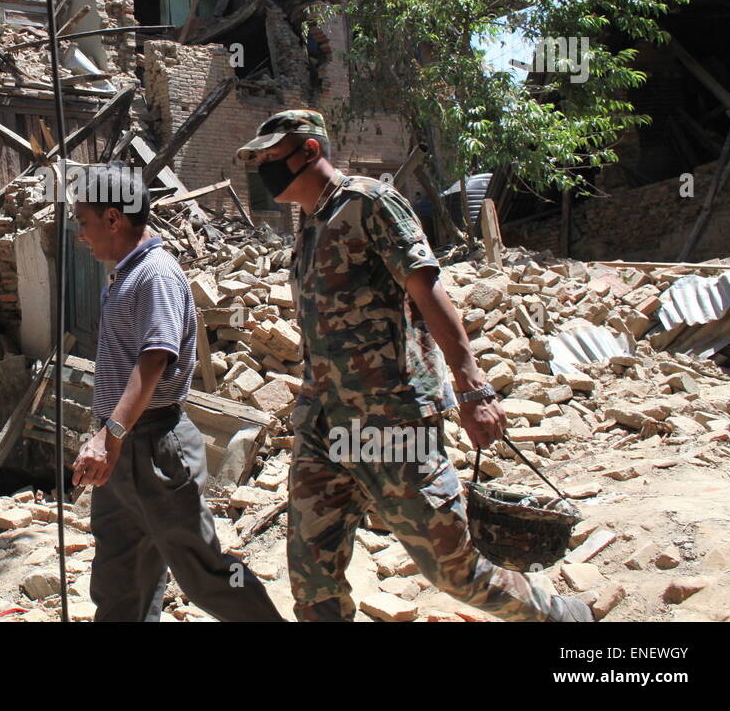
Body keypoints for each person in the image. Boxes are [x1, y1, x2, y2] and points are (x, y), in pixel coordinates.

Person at [236, 109, 591, 622]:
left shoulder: (370, 204)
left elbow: (428, 291)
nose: (264, 169)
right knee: (312, 579)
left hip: (391, 420)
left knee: (453, 567)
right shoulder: (310, 225)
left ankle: (556, 615)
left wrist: (473, 389)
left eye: (272, 157)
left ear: (309, 152)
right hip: (323, 423)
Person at [71, 162, 283, 622]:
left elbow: (155, 359)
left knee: (205, 573)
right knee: (119, 574)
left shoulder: (156, 274)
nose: (81, 235)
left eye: (84, 222)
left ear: (113, 218)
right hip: (122, 448)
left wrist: (108, 435)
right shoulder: (127, 274)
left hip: (152, 447)